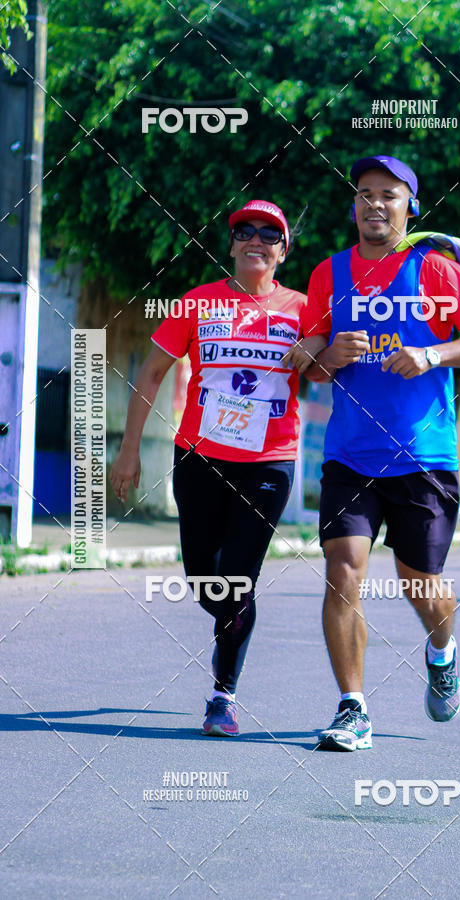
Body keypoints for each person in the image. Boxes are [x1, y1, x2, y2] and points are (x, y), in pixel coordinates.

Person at [301, 155, 460, 751]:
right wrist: (328, 356)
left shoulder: (436, 270)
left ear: (410, 206)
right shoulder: (328, 273)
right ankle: (353, 708)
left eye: (388, 195)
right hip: (350, 455)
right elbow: (309, 365)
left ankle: (442, 651)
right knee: (342, 571)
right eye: (364, 193)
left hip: (423, 456)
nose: (375, 204)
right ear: (353, 206)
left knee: (420, 583)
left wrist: (432, 355)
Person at [109, 200, 325, 737]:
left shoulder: (303, 309)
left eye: (269, 234)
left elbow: (326, 368)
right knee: (205, 579)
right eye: (244, 231)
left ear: (283, 251)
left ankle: (223, 695)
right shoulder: (197, 303)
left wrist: (319, 345)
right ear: (230, 245)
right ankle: (236, 617)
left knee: (238, 579)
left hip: (269, 462)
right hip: (199, 458)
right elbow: (151, 373)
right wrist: (129, 450)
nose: (256, 240)